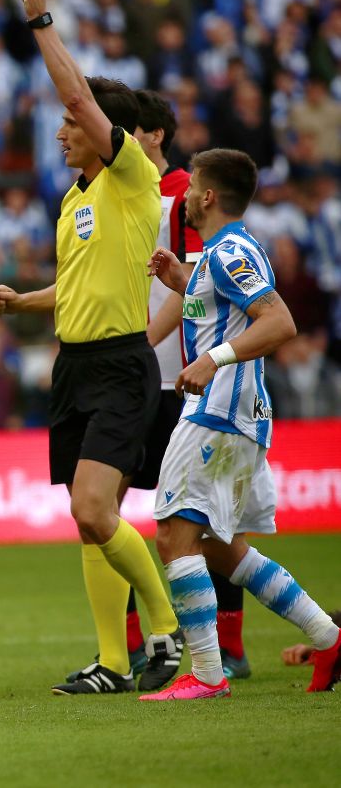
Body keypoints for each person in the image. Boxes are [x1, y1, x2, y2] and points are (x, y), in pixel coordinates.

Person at [0, 0, 182, 696]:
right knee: (88, 520)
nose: (63, 130)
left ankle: (162, 631)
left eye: (74, 124)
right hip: (73, 363)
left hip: (121, 364)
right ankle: (110, 660)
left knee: (94, 508)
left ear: (104, 129)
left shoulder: (132, 178)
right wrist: (24, 303)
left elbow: (76, 97)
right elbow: (77, 287)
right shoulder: (74, 200)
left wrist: (38, 17)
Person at [143, 148, 341, 699]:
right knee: (221, 549)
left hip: (219, 409)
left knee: (173, 536)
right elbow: (223, 307)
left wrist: (214, 359)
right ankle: (328, 638)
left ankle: (206, 673)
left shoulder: (230, 250)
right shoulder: (224, 251)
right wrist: (181, 278)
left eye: (191, 187)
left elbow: (279, 321)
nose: (182, 196)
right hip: (240, 413)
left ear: (207, 195)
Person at [133, 89, 250, 680]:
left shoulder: (187, 198)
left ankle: (220, 652)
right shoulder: (112, 193)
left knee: (198, 520)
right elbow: (193, 283)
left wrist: (155, 344)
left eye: (126, 130)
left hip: (193, 382)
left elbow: (222, 295)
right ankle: (148, 644)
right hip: (152, 374)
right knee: (148, 514)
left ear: (153, 134)